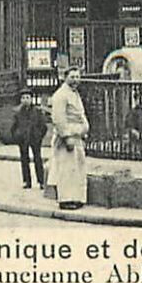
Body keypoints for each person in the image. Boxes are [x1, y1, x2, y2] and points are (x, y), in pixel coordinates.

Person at [49, 66, 90, 209]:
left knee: (77, 169)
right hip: (68, 138)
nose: (75, 80)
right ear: (65, 77)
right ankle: (65, 199)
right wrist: (66, 136)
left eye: (77, 77)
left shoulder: (75, 94)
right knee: (67, 169)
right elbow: (59, 118)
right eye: (72, 77)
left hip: (77, 135)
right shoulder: (61, 95)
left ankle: (76, 198)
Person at [12, 99, 49, 190]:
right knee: (24, 160)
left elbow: (44, 126)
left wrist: (39, 136)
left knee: (38, 159)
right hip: (23, 140)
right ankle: (26, 181)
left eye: (28, 98)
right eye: (23, 98)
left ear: (31, 99)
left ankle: (41, 181)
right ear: (21, 100)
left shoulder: (37, 111)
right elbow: (14, 127)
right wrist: (17, 136)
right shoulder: (18, 113)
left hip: (34, 138)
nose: (25, 100)